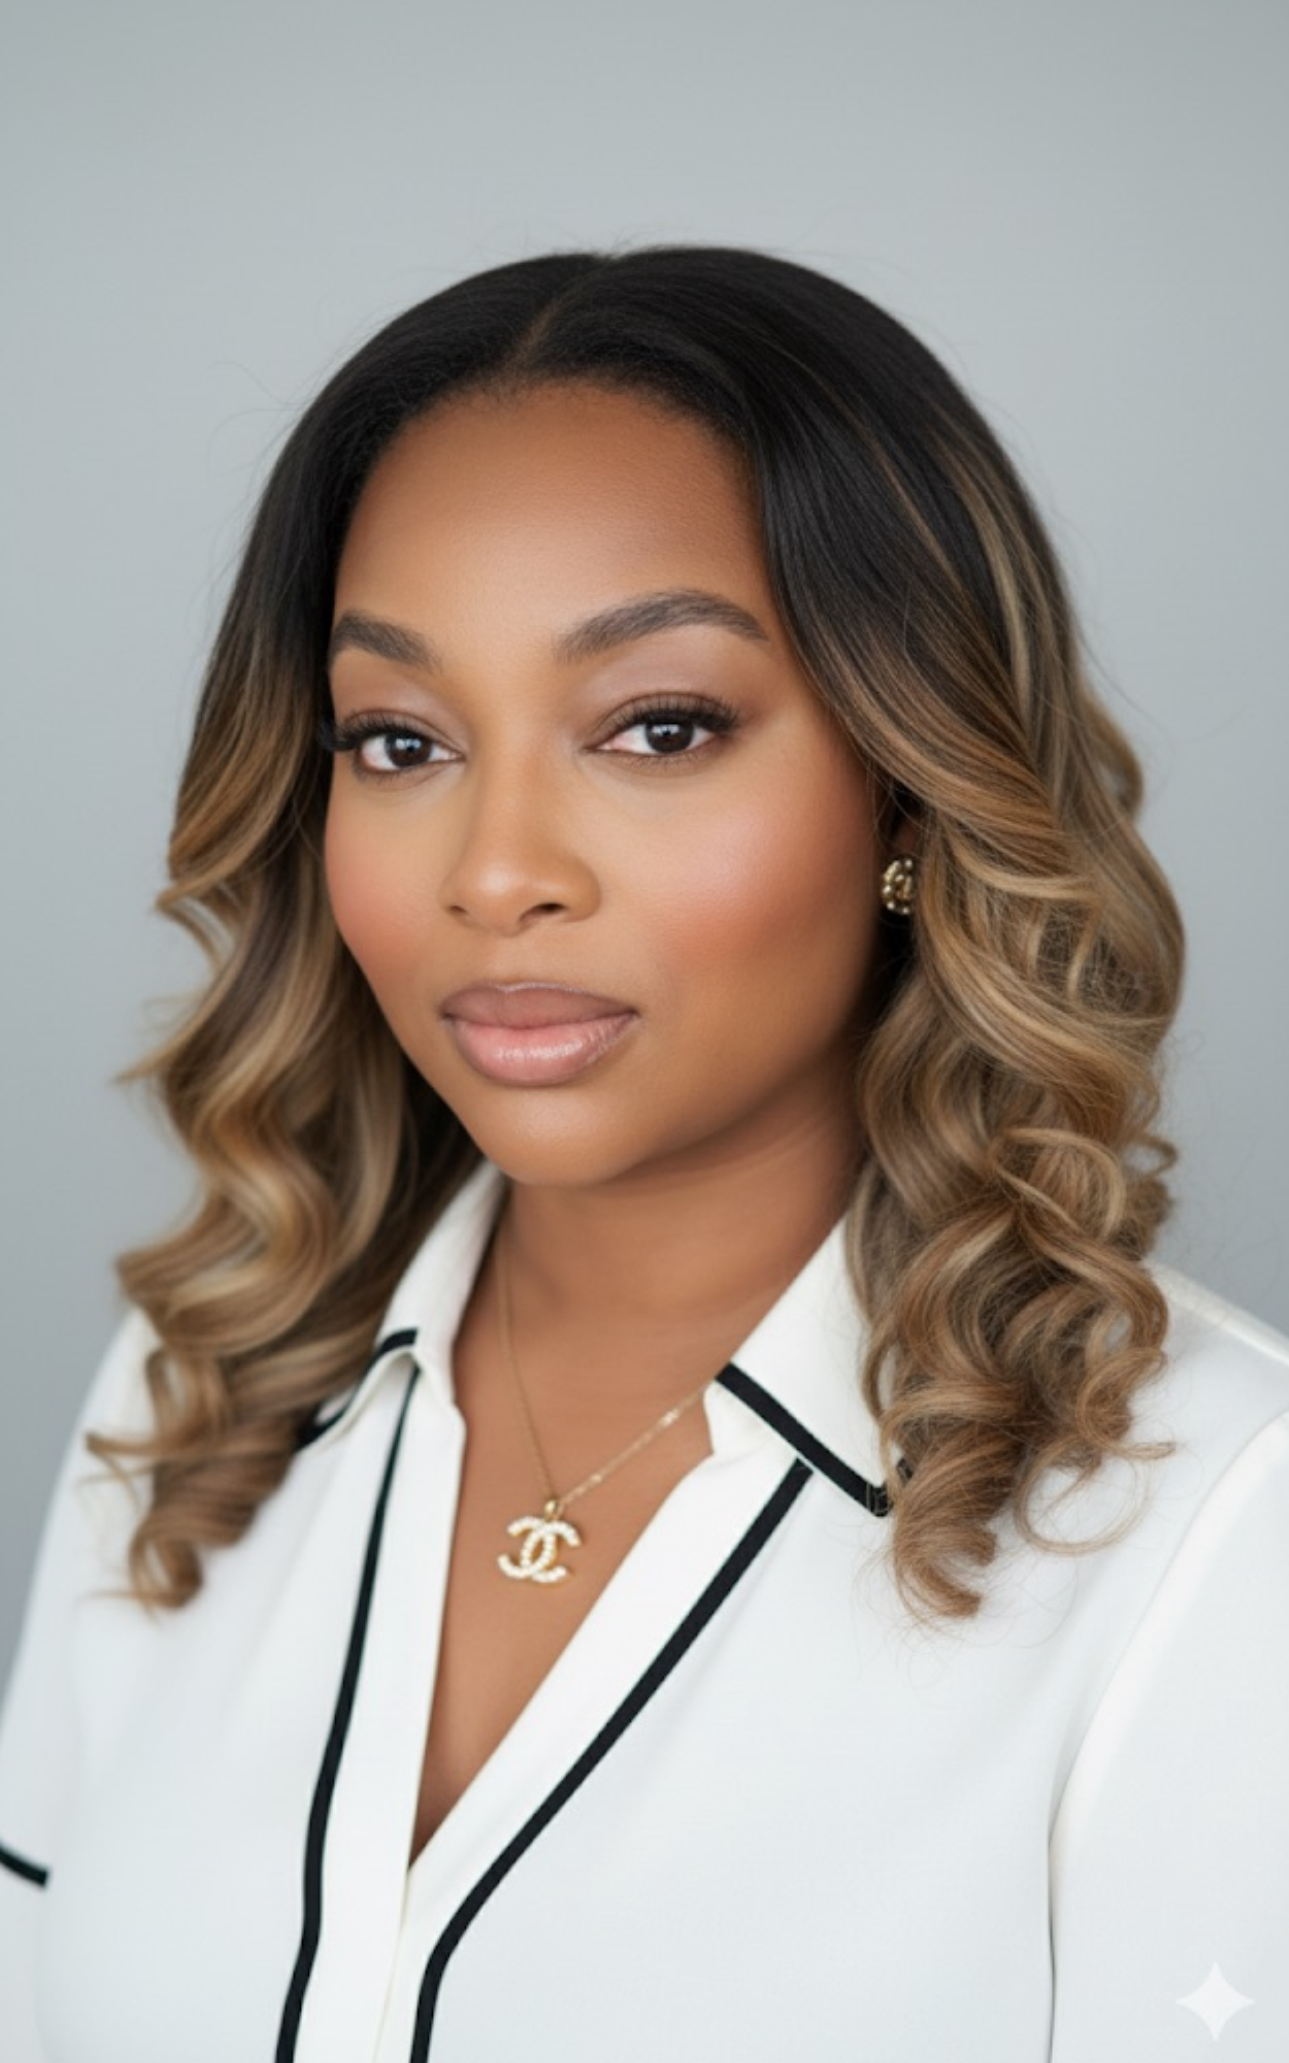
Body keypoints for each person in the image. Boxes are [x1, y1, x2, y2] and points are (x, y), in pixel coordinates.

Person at [1, 244, 1286, 2063]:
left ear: (912, 791)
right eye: (400, 738)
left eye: (658, 727)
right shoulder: (204, 1393)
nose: (497, 867)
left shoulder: (1215, 1527)